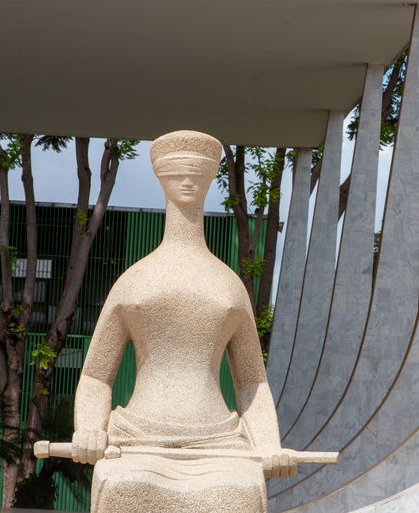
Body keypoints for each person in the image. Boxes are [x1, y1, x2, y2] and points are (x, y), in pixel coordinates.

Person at [71, 131, 294, 513]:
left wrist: (269, 444)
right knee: (125, 488)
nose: (188, 182)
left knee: (238, 494)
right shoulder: (135, 281)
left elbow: (253, 382)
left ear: (209, 181)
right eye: (179, 174)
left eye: (196, 175)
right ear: (162, 179)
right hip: (138, 440)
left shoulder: (228, 286)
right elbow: (95, 376)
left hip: (220, 443)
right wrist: (90, 428)